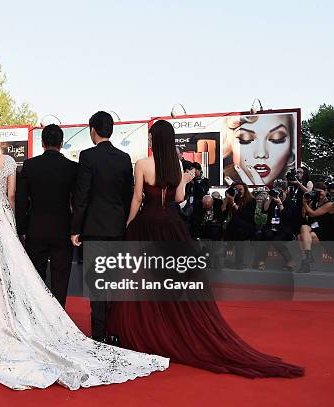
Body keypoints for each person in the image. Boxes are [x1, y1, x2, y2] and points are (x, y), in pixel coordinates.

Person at [0, 116, 168, 391]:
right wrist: (74, 227)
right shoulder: (46, 165)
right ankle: (61, 325)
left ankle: (9, 320)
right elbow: (18, 197)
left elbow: (13, 198)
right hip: (47, 227)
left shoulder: (23, 166)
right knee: (63, 280)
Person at [107, 120, 303, 378]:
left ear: (154, 140)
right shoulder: (176, 165)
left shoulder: (143, 164)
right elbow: (178, 199)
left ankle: (144, 330)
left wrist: (129, 224)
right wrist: (185, 181)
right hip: (171, 225)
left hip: (147, 225)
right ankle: (170, 328)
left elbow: (137, 199)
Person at [70, 111, 134, 342]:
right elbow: (129, 196)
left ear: (92, 131)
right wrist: (124, 222)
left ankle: (98, 335)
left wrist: (75, 228)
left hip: (94, 228)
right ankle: (114, 332)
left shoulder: (87, 157)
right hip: (117, 227)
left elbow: (82, 195)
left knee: (97, 283)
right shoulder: (124, 158)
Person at [16, 124, 77, 307]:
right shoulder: (72, 167)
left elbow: (21, 201)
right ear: (62, 143)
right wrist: (76, 228)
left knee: (35, 278)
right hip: (63, 229)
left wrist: (22, 228)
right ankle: (59, 319)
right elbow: (78, 202)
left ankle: (38, 318)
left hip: (36, 228)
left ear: (42, 143)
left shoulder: (30, 166)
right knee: (60, 278)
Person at [223, 114, 296, 185]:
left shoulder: (294, 187)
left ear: (291, 144)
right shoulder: (218, 183)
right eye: (245, 139)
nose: (261, 154)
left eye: (276, 138)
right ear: (229, 144)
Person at [254, 181, 298, 271]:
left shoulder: (290, 203)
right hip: (272, 226)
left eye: (281, 191)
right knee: (264, 236)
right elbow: (265, 210)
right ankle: (261, 261)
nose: (279, 193)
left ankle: (290, 261)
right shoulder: (272, 200)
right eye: (276, 190)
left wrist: (280, 204)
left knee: (276, 240)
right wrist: (270, 198)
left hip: (285, 228)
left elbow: (287, 217)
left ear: (286, 191)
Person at [297, 182, 334, 273]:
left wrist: (305, 204)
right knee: (303, 228)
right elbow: (304, 214)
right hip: (315, 229)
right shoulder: (314, 201)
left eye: (320, 192)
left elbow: (313, 214)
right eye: (316, 192)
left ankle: (305, 264)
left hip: (327, 231)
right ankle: (308, 257)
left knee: (301, 237)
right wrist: (306, 201)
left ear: (325, 191)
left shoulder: (330, 203)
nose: (318, 194)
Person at [222, 182, 257, 269]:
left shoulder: (251, 200)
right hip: (237, 229)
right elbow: (223, 210)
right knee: (238, 235)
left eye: (240, 189)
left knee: (235, 221)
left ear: (245, 190)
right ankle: (239, 263)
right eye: (236, 190)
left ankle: (225, 251)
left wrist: (233, 204)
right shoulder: (234, 198)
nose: (239, 191)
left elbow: (245, 216)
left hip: (248, 225)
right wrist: (227, 199)